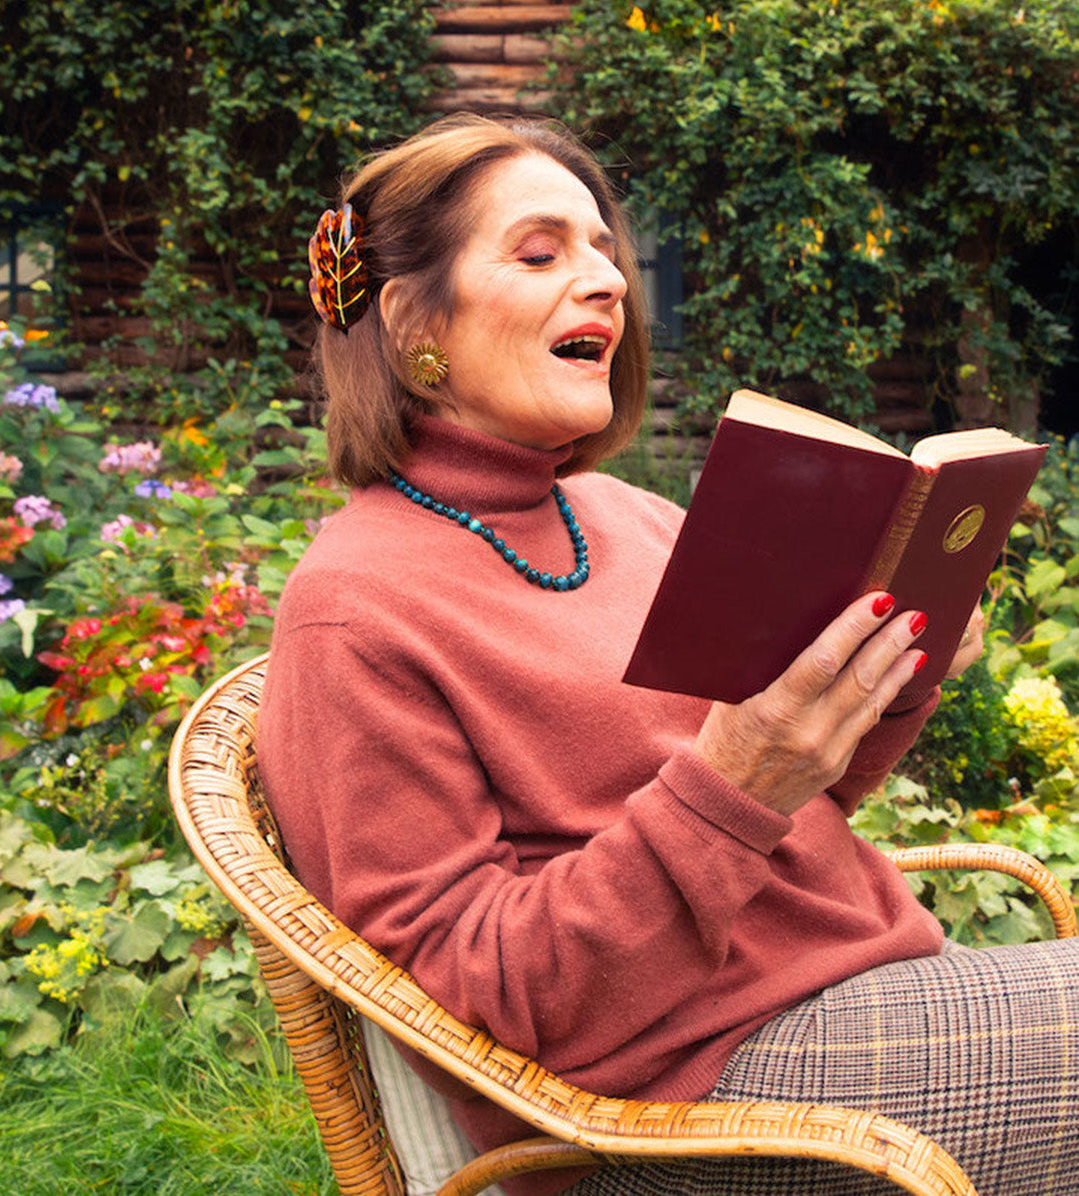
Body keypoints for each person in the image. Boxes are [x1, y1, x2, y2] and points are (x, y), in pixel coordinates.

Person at [257, 114, 1079, 1196]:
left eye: (607, 251)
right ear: (415, 321)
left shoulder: (620, 515)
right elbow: (474, 996)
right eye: (541, 252)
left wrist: (879, 685)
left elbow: (782, 813)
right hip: (680, 1103)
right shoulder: (354, 608)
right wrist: (732, 777)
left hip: (865, 988)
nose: (605, 280)